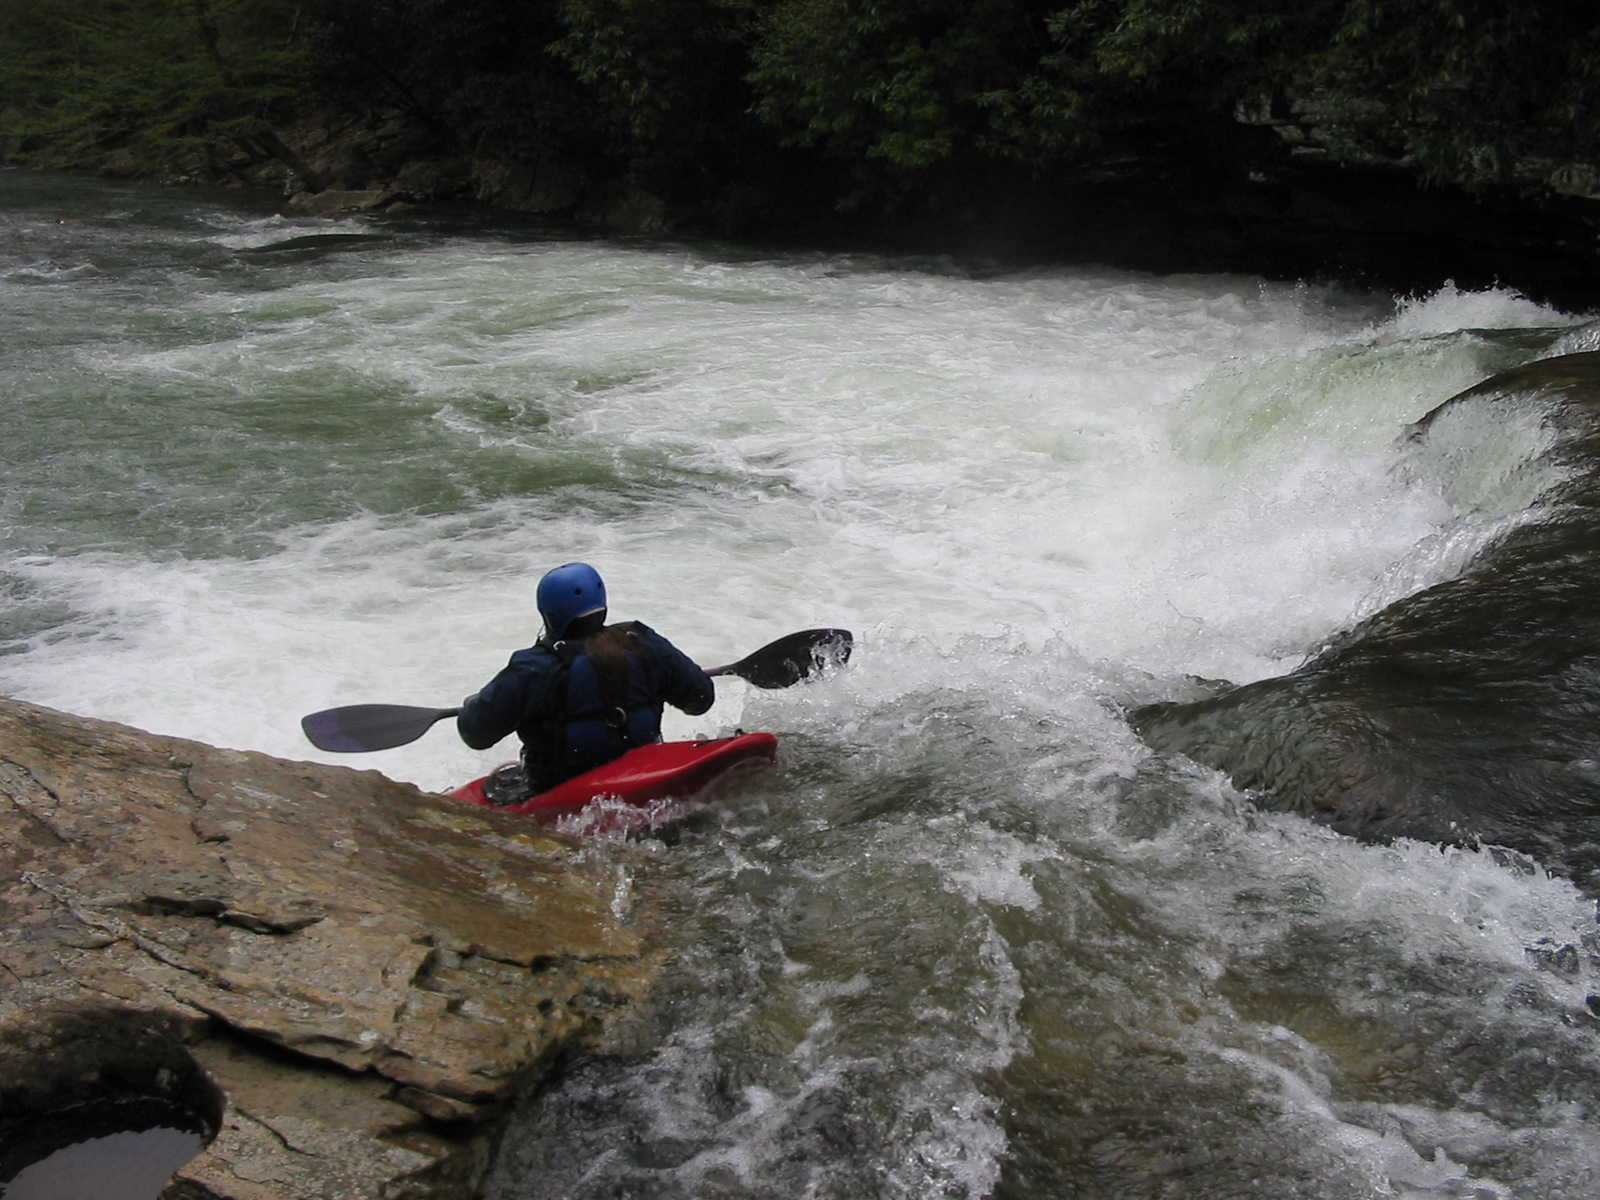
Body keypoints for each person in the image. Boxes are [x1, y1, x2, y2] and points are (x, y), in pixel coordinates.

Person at [457, 562, 715, 798]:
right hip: (641, 772)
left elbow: (475, 734)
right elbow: (701, 699)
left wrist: (473, 704)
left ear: (549, 615)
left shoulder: (533, 668)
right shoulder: (643, 642)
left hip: (561, 790)